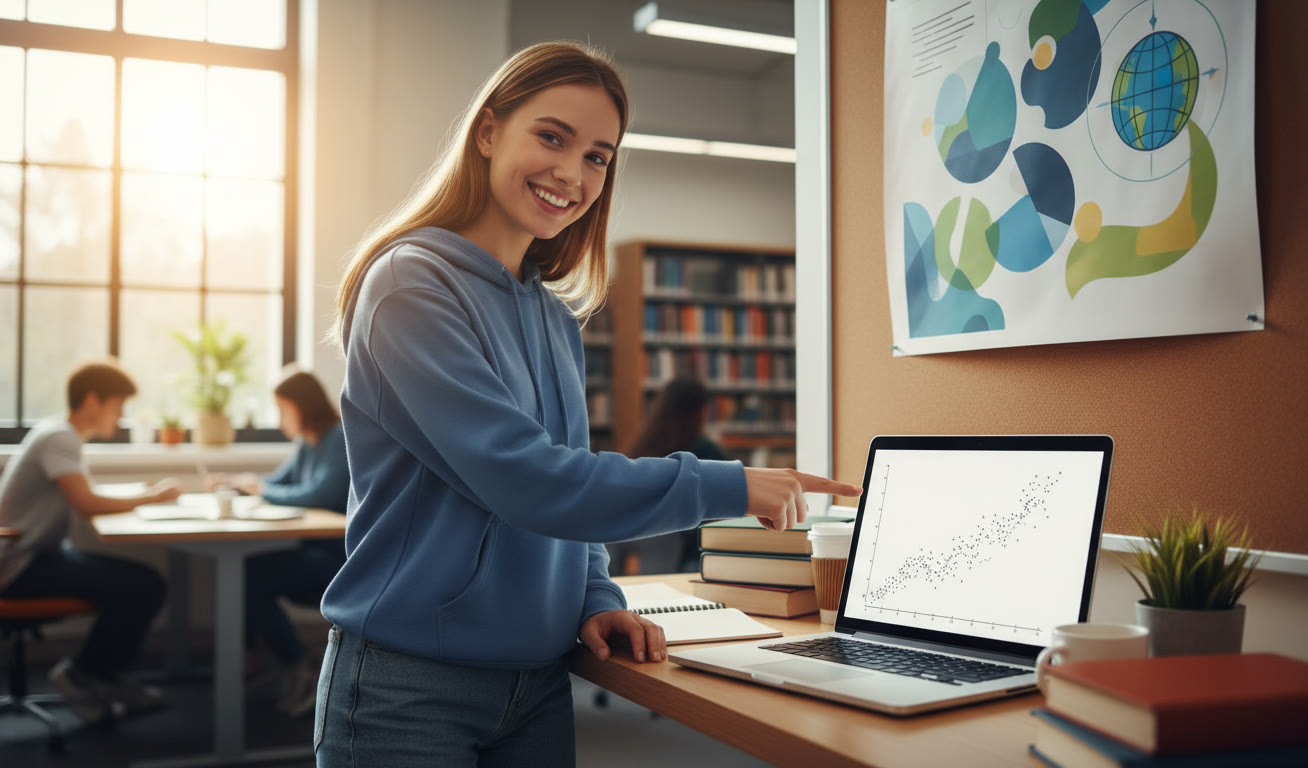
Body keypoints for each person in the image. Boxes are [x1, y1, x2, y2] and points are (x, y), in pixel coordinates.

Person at [316, 41, 861, 766]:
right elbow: (529, 480)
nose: (571, 174)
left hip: (538, 684)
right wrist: (727, 483)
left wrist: (596, 597)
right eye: (551, 137)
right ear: (487, 132)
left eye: (599, 157)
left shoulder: (553, 318)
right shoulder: (410, 287)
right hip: (409, 687)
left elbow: (570, 488)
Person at [0, 360, 180, 722]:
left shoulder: (58, 434)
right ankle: (85, 675)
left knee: (138, 582)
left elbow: (86, 492)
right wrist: (152, 498)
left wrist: (139, 492)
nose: (120, 416)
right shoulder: (61, 438)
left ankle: (99, 677)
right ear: (93, 401)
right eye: (117, 406)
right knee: (144, 584)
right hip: (18, 566)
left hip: (31, 556)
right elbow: (86, 503)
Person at [208, 366, 349, 717]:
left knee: (248, 576)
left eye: (282, 409)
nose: (279, 418)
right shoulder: (307, 443)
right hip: (312, 553)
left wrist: (262, 489)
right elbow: (277, 483)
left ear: (303, 406)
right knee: (245, 570)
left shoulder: (338, 438)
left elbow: (317, 494)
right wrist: (240, 484)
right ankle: (259, 662)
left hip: (337, 561)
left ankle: (296, 667)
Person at [608, 375, 727, 575]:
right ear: (701, 411)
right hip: (684, 553)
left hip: (635, 539)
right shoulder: (703, 451)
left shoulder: (642, 445)